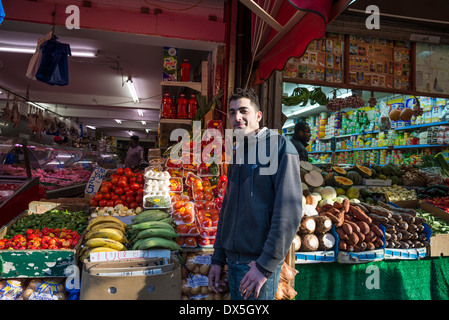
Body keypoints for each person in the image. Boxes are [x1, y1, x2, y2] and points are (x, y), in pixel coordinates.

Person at [208, 87, 303, 300]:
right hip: (233, 263)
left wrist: (264, 266)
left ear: (258, 116)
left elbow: (289, 212)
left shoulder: (280, 148)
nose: (237, 117)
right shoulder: (239, 152)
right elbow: (227, 210)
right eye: (232, 112)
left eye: (244, 111)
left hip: (256, 266)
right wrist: (218, 259)